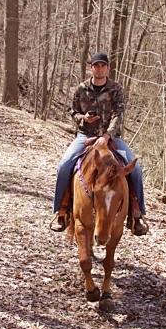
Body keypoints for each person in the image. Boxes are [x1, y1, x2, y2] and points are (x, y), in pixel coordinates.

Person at [50, 52, 148, 235]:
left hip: (112, 138)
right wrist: (83, 119)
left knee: (136, 169)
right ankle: (61, 211)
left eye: (103, 65)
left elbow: (119, 114)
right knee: (64, 165)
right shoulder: (81, 89)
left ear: (108, 68)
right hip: (85, 136)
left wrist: (108, 135)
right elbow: (72, 112)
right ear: (91, 68)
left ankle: (137, 214)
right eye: (96, 65)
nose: (100, 69)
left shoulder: (116, 89)